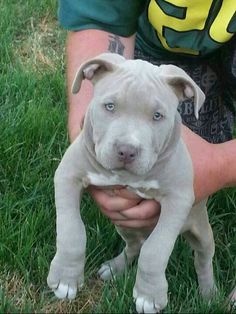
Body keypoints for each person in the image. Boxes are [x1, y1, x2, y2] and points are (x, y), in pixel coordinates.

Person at [58, 0, 236, 229]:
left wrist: (220, 164)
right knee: (147, 171)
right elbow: (101, 19)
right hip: (160, 42)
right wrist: (87, 141)